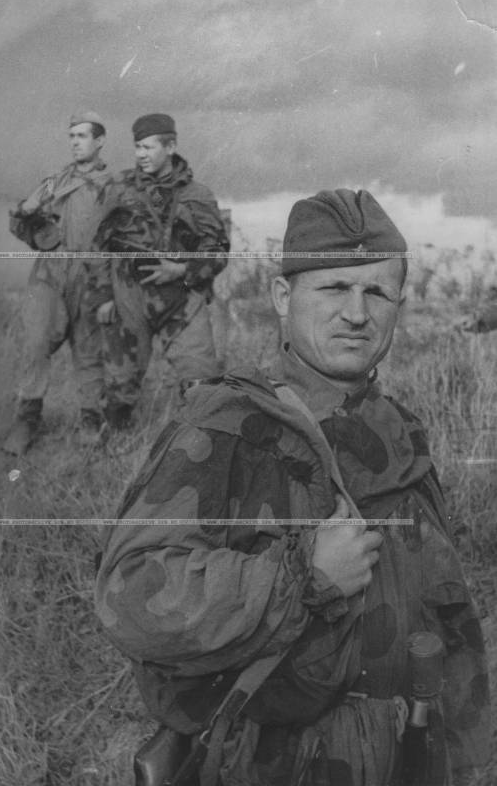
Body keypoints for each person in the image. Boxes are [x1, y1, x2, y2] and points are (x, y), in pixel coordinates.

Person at [95, 190, 489, 786]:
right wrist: (303, 576)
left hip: (408, 754)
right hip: (279, 765)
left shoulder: (401, 431)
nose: (356, 313)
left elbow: (447, 619)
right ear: (283, 297)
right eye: (334, 288)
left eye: (377, 292)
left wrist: (469, 761)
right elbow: (128, 594)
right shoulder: (226, 424)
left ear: (398, 306)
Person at [91, 113, 230, 429]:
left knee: (202, 384)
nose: (140, 154)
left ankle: (198, 443)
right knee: (119, 386)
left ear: (171, 147)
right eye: (137, 147)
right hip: (128, 298)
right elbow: (96, 245)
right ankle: (115, 442)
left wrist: (182, 270)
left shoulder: (198, 195)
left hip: (182, 302)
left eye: (148, 147)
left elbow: (219, 252)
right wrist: (103, 295)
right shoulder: (118, 189)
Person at [3, 111, 115, 455]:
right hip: (49, 273)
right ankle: (27, 418)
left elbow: (121, 240)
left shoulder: (113, 187)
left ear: (99, 141)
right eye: (72, 136)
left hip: (90, 275)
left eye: (82, 136)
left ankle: (91, 420)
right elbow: (21, 226)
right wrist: (26, 213)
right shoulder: (53, 183)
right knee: (35, 342)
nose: (75, 142)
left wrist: (109, 290)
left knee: (89, 351)